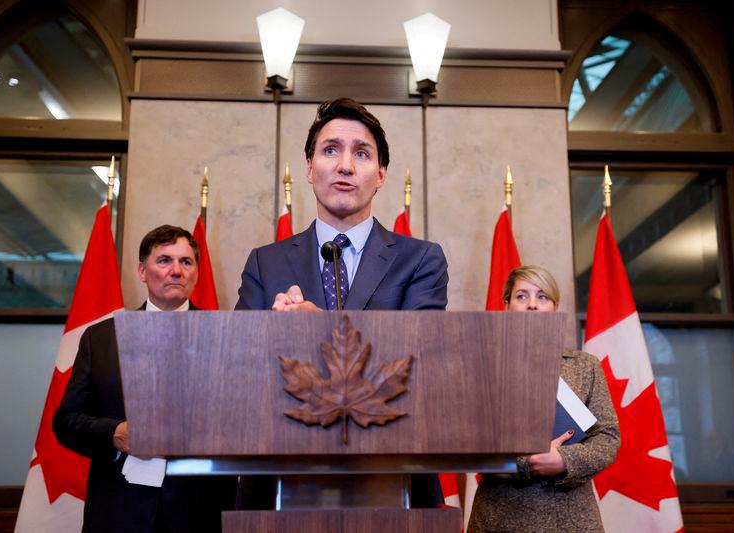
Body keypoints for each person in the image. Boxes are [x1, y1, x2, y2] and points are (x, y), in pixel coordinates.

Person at [235, 97, 449, 508]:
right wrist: (271, 333)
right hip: (280, 476)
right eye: (330, 150)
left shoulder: (420, 259)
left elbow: (420, 360)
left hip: (392, 473)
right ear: (310, 169)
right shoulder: (266, 262)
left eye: (362, 153)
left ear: (381, 174)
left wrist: (319, 329)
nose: (345, 165)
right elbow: (238, 368)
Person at [53, 225, 237, 533]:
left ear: (196, 272)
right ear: (142, 270)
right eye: (164, 260)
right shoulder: (101, 339)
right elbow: (66, 422)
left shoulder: (227, 336)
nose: (176, 271)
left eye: (186, 262)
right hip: (120, 510)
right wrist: (115, 433)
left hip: (201, 511)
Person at [467, 265, 620, 533]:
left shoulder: (584, 366)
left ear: (555, 306)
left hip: (572, 517)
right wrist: (529, 462)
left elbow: (607, 437)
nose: (533, 306)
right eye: (522, 296)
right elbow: (467, 439)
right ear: (506, 305)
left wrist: (564, 459)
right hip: (500, 515)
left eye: (542, 297)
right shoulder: (482, 365)